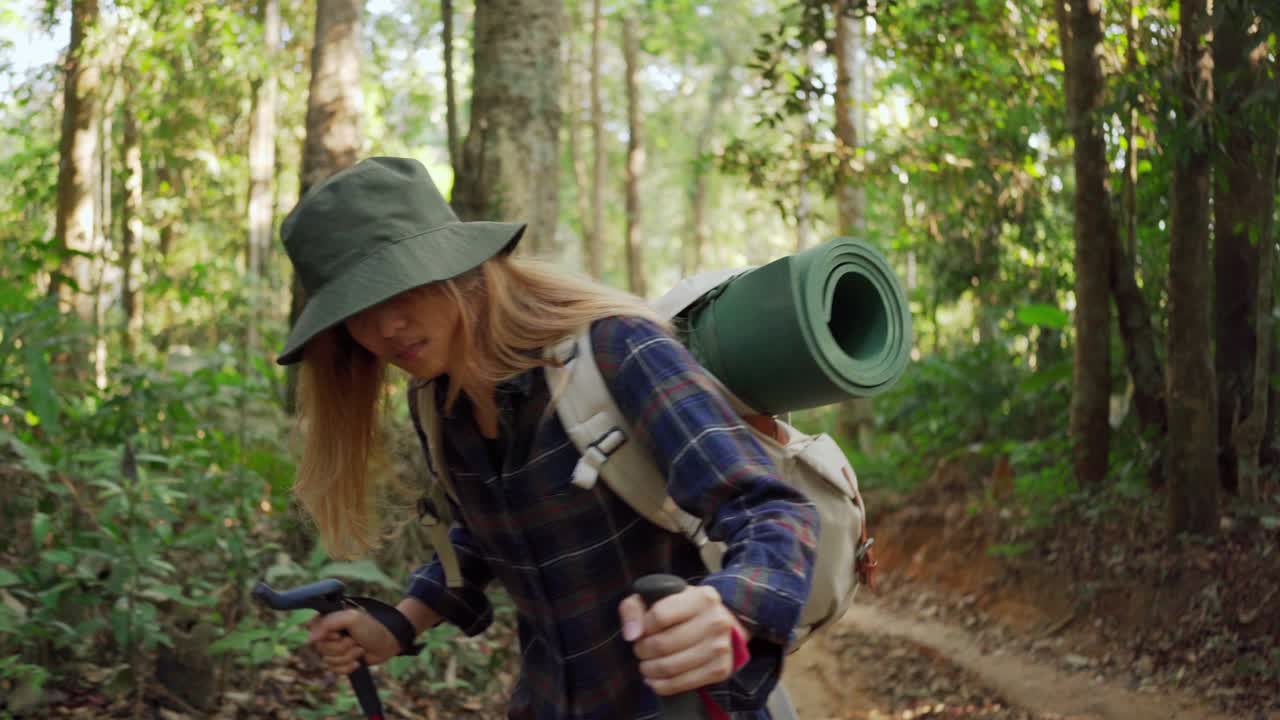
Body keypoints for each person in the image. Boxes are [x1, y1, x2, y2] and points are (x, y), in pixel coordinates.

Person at [280, 156, 817, 719]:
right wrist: (400, 621)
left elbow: (771, 510)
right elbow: (485, 532)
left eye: (401, 290)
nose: (385, 328)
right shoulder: (439, 402)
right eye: (358, 314)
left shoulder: (616, 350)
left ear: (453, 266)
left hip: (682, 705)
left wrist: (728, 610)